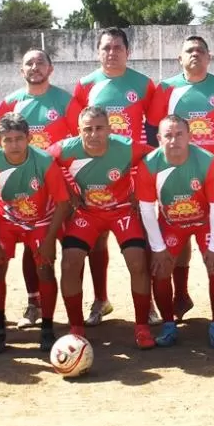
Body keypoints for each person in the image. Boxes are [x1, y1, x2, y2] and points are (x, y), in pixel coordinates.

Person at [50, 107, 156, 349]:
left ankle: (142, 327)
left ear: (109, 129)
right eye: (87, 129)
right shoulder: (65, 149)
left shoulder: (126, 147)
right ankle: (76, 328)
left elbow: (156, 158)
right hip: (88, 213)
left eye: (99, 128)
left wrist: (140, 190)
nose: (94, 134)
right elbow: (44, 162)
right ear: (79, 131)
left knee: (137, 261)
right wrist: (68, 192)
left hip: (122, 211)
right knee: (69, 262)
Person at [148, 36, 214, 322]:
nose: (195, 54)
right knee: (178, 228)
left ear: (209, 57)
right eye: (189, 50)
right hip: (174, 173)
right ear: (180, 58)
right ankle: (181, 294)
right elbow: (153, 132)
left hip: (211, 174)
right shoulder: (166, 88)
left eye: (200, 50)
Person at [72, 27, 157, 327]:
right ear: (98, 52)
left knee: (140, 239)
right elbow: (77, 131)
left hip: (132, 175)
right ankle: (100, 299)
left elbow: (153, 132)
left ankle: (147, 304)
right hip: (95, 174)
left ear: (127, 52)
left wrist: (146, 178)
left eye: (118, 47)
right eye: (106, 48)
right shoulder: (85, 85)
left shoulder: (144, 84)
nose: (112, 53)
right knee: (97, 241)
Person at [0, 49, 82, 330]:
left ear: (51, 68)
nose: (35, 67)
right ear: (21, 70)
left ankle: (74, 308)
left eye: (40, 62)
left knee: (72, 248)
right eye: (29, 63)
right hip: (27, 191)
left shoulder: (65, 101)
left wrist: (72, 184)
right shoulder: (11, 103)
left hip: (60, 188)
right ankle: (34, 304)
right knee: (31, 247)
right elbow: (1, 143)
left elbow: (80, 141)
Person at [0, 113, 70, 354]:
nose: (14, 145)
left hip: (40, 220)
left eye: (19, 138)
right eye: (7, 140)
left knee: (45, 269)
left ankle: (47, 328)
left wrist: (49, 240)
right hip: (5, 220)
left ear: (29, 138)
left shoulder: (44, 161)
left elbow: (62, 203)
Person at [136, 115, 214, 348]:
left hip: (205, 221)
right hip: (171, 223)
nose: (174, 140)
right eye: (168, 135)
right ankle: (168, 324)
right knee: (160, 268)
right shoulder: (149, 164)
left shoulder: (207, 161)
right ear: (159, 139)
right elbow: (146, 209)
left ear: (189, 136)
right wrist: (158, 248)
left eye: (179, 134)